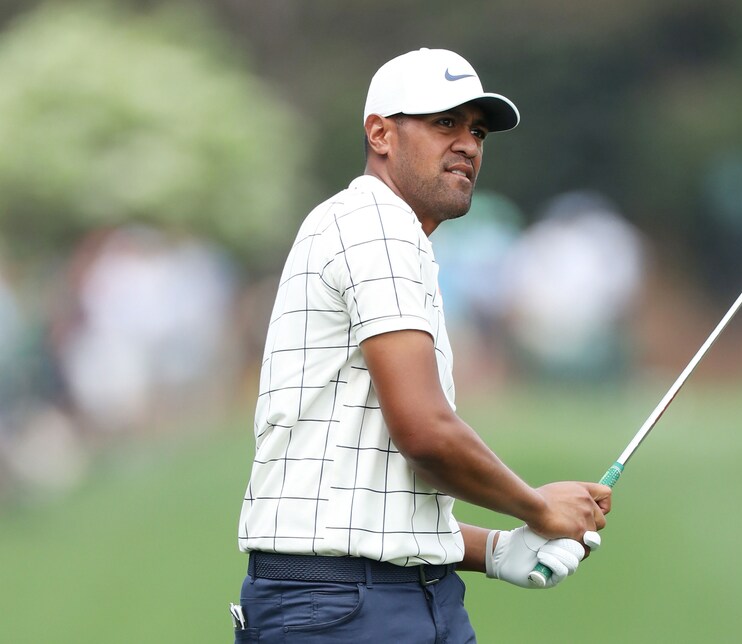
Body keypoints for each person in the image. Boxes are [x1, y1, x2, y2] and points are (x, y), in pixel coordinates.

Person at [234, 48, 612, 643]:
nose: (468, 144)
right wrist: (538, 509)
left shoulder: (383, 232)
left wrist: (493, 551)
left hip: (379, 598)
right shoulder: (375, 224)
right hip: (340, 608)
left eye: (478, 131)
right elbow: (425, 431)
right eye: (444, 124)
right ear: (380, 134)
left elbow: (369, 497)